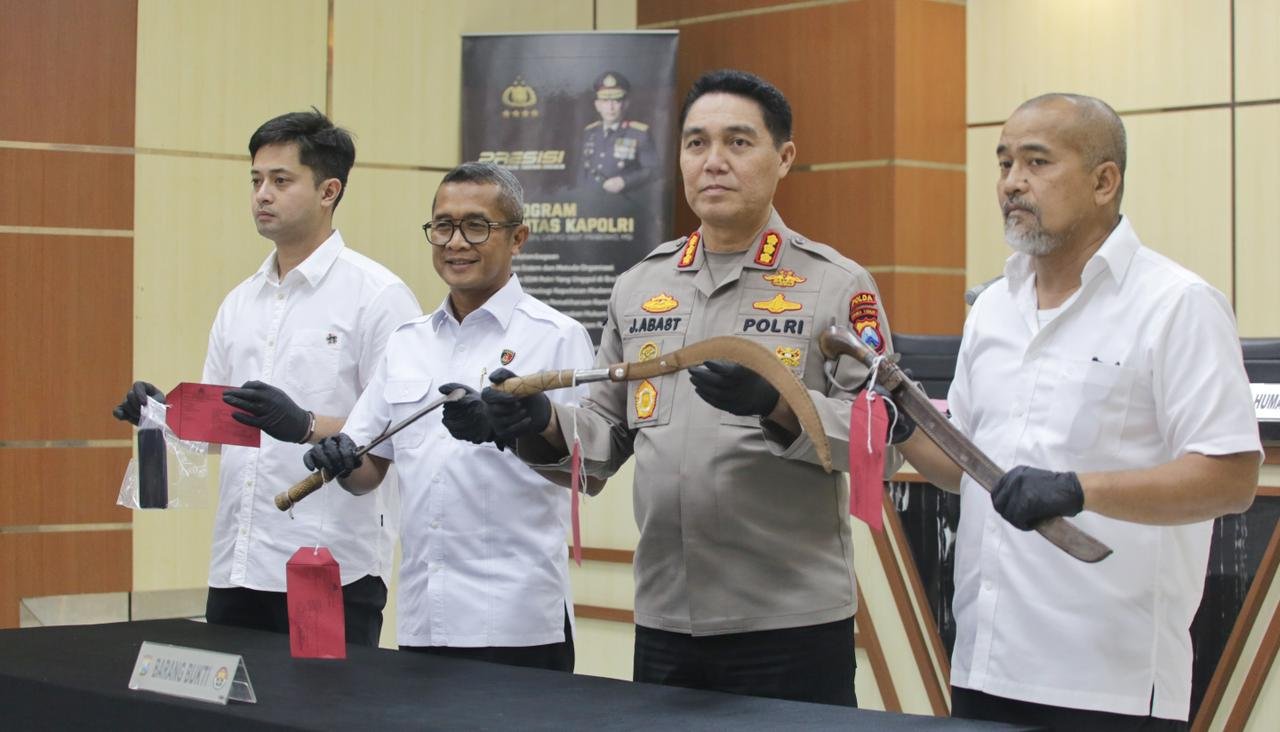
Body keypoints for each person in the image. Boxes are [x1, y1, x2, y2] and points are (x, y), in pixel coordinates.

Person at [474, 69, 893, 706]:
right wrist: (540, 421)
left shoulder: (837, 285)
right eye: (697, 143)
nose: (713, 161)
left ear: (784, 158)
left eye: (738, 142)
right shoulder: (639, 285)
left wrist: (778, 405)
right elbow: (604, 433)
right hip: (666, 616)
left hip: (789, 623)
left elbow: (882, 443)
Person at [889, 94, 1261, 729]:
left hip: (1110, 685)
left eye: (1037, 162)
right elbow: (967, 473)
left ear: (1103, 181)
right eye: (1004, 163)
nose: (1012, 183)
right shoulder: (993, 308)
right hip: (984, 665)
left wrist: (1077, 489)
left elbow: (1230, 478)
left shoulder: (1178, 304)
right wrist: (900, 426)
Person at [112, 110, 421, 646]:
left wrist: (305, 424)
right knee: (233, 695)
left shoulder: (377, 296)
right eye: (256, 180)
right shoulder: (240, 301)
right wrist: (164, 413)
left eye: (281, 180)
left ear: (328, 191)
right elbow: (222, 428)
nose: (262, 195)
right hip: (238, 560)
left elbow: (399, 430)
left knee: (320, 697)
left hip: (328, 565)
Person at [300, 163, 595, 671]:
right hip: (424, 614)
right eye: (443, 226)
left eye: (476, 226)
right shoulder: (407, 342)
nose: (456, 242)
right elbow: (368, 469)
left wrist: (514, 429)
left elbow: (586, 472)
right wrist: (341, 459)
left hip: (519, 619)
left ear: (518, 238)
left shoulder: (556, 336)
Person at [579, 71, 656, 194]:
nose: (610, 108)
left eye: (616, 101)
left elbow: (652, 170)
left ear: (625, 104)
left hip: (622, 201)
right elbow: (582, 171)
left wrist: (625, 181)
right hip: (591, 200)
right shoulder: (589, 132)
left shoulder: (639, 133)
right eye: (605, 101)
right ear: (597, 105)